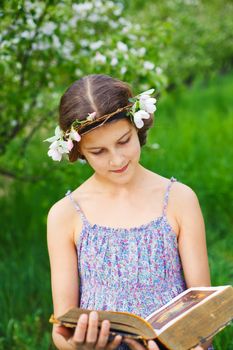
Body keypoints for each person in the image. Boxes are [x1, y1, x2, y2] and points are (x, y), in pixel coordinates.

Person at [46, 74, 213, 350]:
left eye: (124, 141)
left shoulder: (179, 200)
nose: (117, 159)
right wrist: (78, 346)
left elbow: (204, 312)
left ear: (138, 126)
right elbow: (61, 330)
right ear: (79, 151)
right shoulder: (65, 215)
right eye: (98, 151)